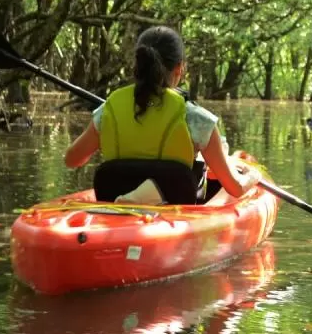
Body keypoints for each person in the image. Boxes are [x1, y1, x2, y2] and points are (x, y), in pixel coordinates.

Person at [64, 26, 261, 204]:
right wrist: (253, 176)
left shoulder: (108, 110)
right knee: (211, 182)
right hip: (173, 208)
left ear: (138, 64)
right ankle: (148, 194)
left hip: (115, 202)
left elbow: (72, 160)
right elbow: (235, 188)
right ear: (180, 68)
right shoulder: (196, 118)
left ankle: (139, 196)